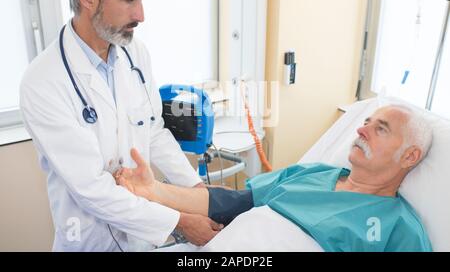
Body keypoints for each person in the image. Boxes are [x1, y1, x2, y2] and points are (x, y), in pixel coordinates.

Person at [19, 0, 221, 252]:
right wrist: (181, 220)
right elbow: (92, 188)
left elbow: (154, 131)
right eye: (130, 0)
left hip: (140, 239)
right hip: (90, 241)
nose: (141, 15)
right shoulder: (42, 82)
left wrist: (198, 193)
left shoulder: (135, 54)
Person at [115, 105, 434, 251]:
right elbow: (231, 202)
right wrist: (154, 190)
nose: (362, 129)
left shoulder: (400, 229)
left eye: (381, 129)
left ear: (410, 156)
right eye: (367, 121)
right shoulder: (315, 174)